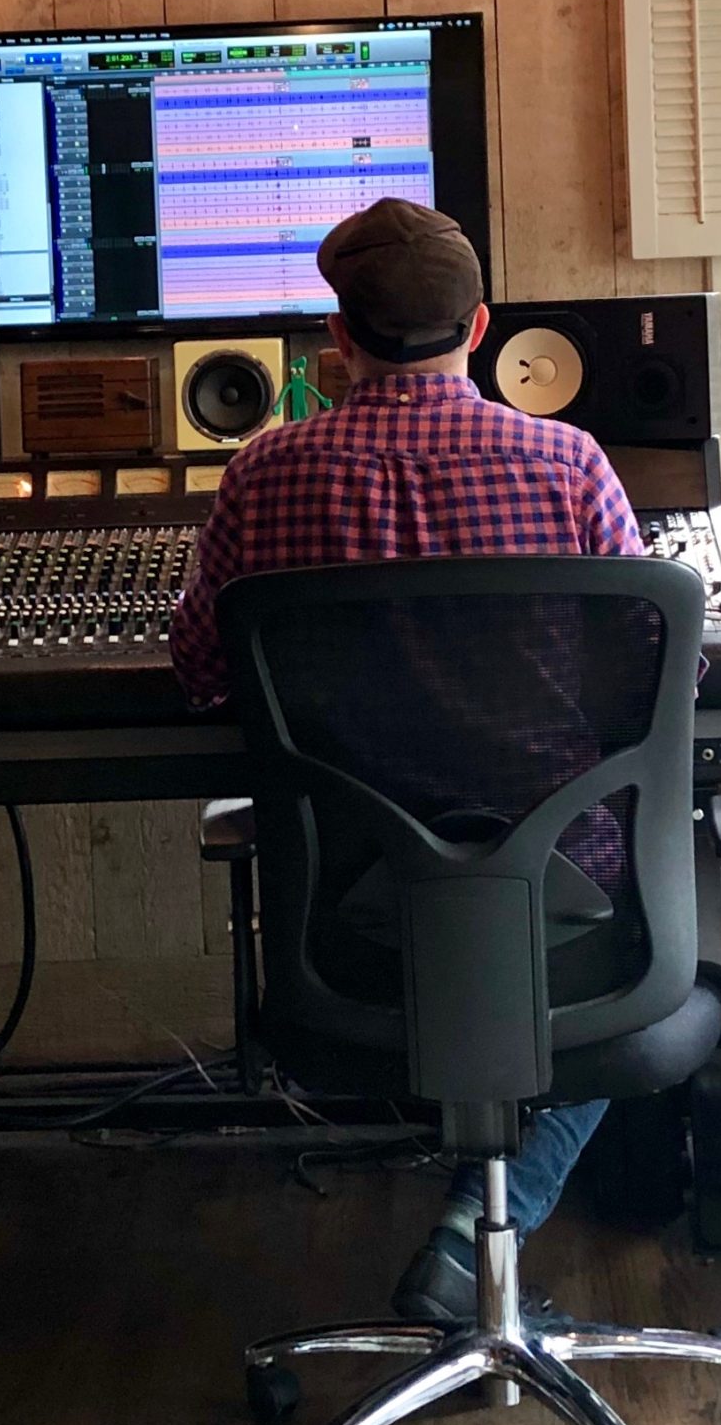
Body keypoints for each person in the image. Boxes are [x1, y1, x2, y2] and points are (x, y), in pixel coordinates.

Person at [169, 197, 646, 1327]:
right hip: (558, 917)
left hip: (351, 929)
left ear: (338, 336)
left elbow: (200, 669)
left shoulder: (264, 473)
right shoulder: (569, 463)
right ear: (478, 327)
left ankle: (472, 1230)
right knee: (668, 955)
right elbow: (648, 669)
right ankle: (479, 1227)